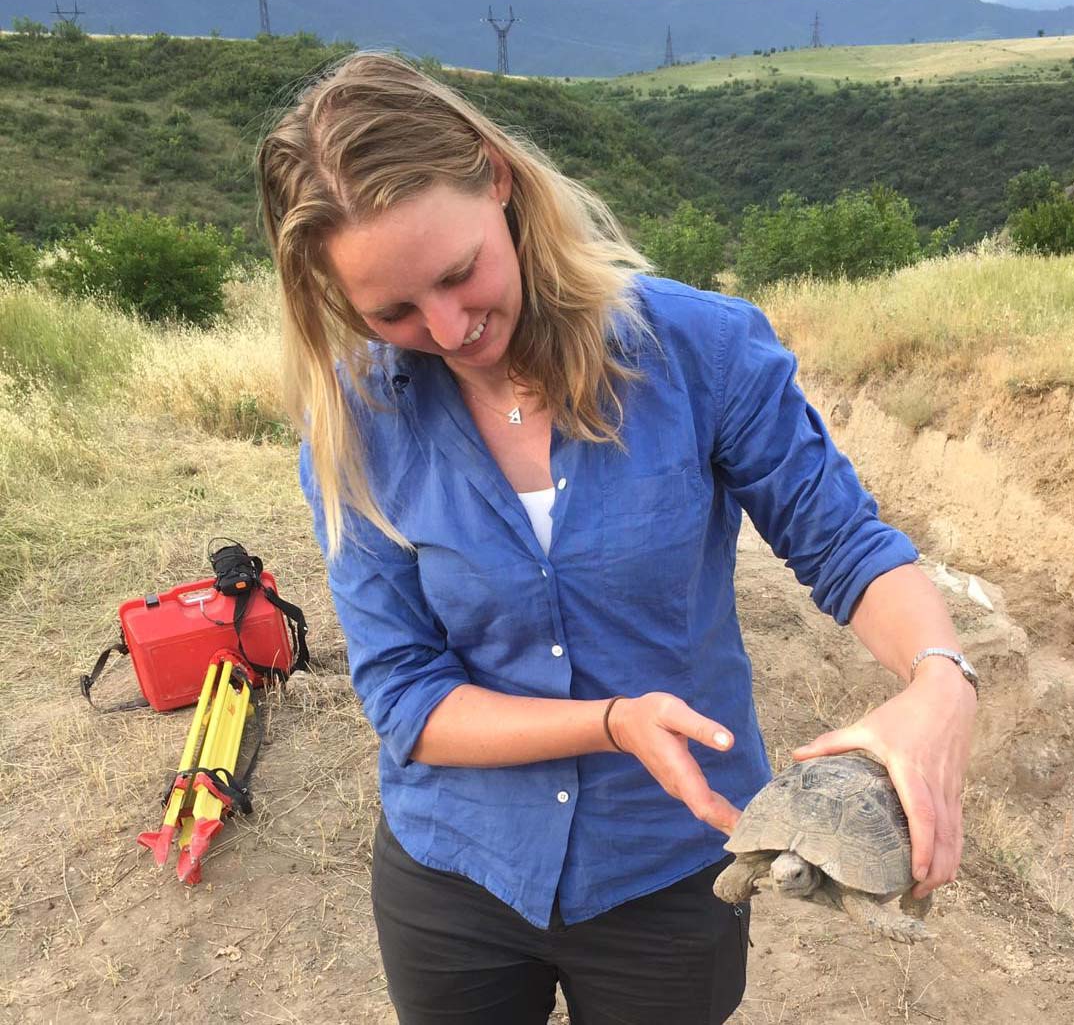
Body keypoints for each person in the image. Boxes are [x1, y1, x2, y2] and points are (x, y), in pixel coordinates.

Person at [256, 52, 977, 1025]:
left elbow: (846, 545)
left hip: (671, 870)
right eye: (393, 312)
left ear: (497, 178)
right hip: (454, 875)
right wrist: (609, 720)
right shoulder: (356, 419)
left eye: (461, 272)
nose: (451, 326)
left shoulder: (704, 350)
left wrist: (939, 677)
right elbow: (406, 696)